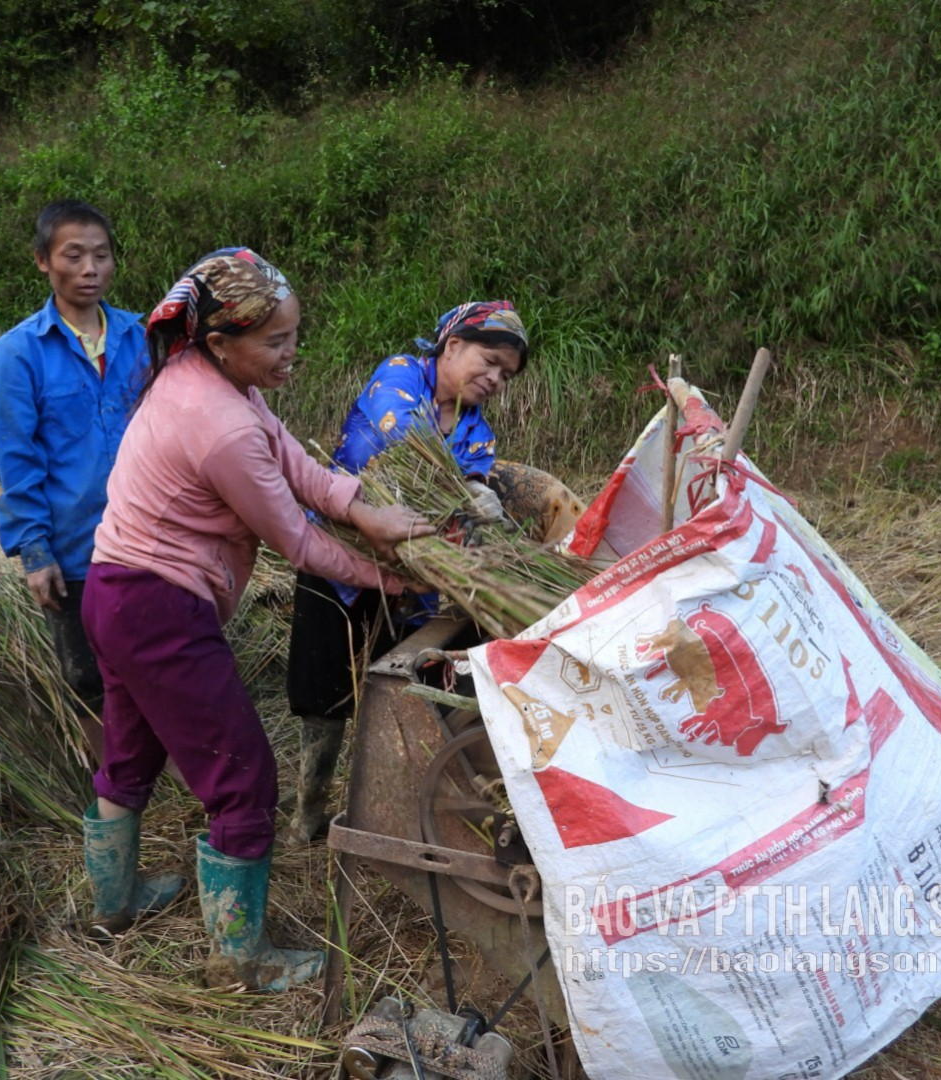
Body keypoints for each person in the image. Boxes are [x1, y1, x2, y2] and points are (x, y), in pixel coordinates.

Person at [80, 248, 435, 990]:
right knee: (244, 777)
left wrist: (363, 512)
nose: (291, 352)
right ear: (220, 340)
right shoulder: (221, 426)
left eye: (294, 335)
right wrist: (388, 578)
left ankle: (114, 905)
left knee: (131, 755)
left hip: (114, 591)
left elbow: (295, 464)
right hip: (158, 609)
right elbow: (296, 541)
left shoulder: (207, 377)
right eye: (276, 341)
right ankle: (240, 960)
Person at [284, 301, 587, 842]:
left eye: (506, 375)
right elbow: (402, 446)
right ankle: (308, 816)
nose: (495, 379)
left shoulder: (477, 430)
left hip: (412, 580)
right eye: (489, 362)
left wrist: (483, 500)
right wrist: (462, 490)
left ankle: (386, 812)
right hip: (341, 564)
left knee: (399, 693)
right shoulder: (401, 377)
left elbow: (471, 495)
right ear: (453, 345)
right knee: (323, 694)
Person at [0, 200, 147, 765]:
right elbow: (17, 459)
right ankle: (116, 786)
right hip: (75, 549)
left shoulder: (141, 339)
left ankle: (173, 782)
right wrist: (35, 552)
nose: (90, 269)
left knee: (157, 668)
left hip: (149, 541)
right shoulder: (18, 354)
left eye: (101, 255)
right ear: (42, 261)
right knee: (87, 678)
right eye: (73, 256)